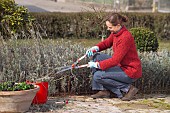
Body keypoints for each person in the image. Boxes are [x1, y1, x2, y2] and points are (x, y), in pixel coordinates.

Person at [86, 13, 142, 101]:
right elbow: (107, 43)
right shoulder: (116, 32)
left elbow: (115, 60)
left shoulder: (125, 37)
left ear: (118, 25)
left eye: (110, 27)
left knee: (98, 76)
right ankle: (103, 90)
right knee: (96, 56)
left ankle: (128, 89)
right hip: (122, 66)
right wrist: (95, 48)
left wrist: (97, 65)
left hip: (130, 71)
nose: (108, 29)